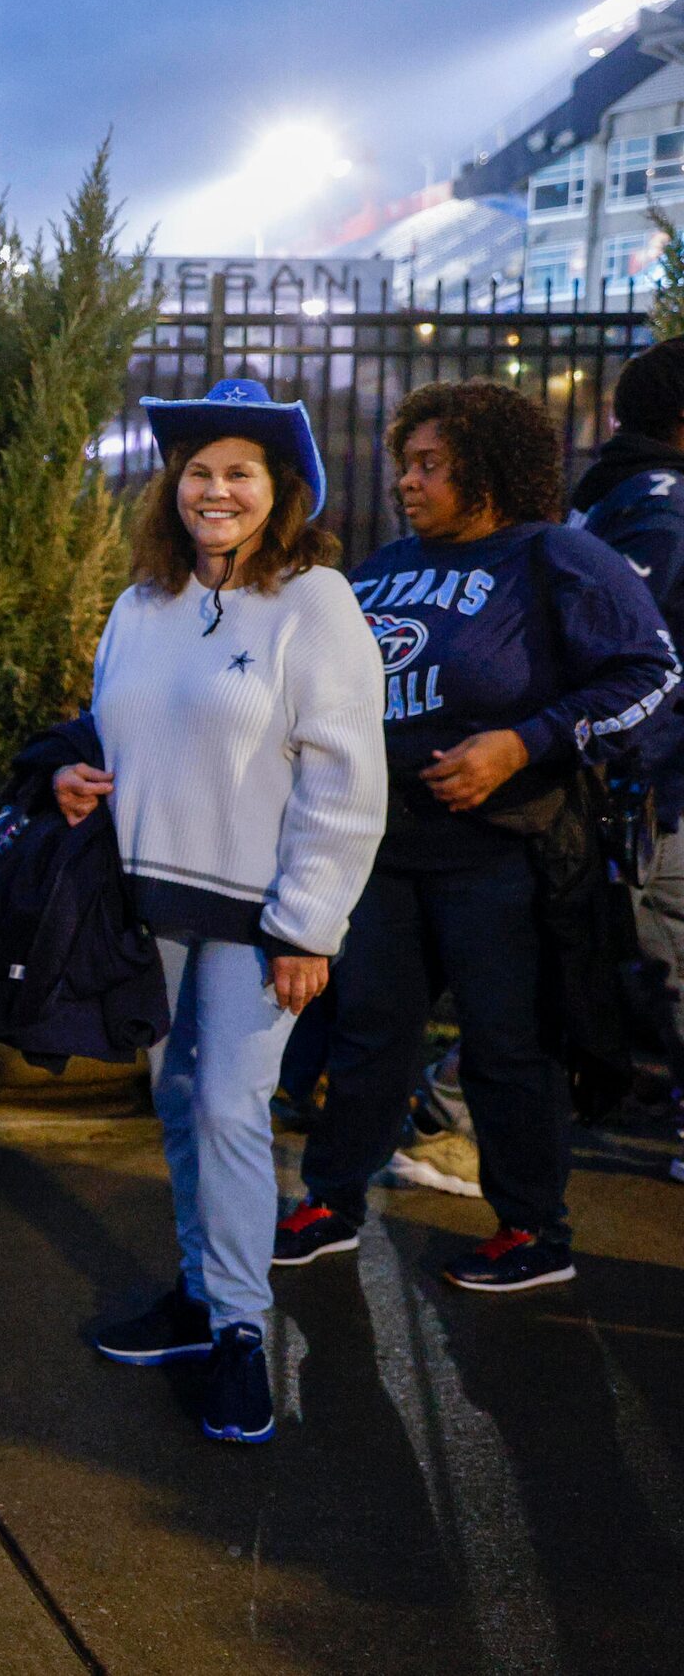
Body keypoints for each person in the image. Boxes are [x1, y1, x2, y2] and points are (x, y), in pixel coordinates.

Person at [279, 378, 677, 1292]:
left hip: (506, 851)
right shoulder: (375, 571)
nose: (408, 483)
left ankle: (536, 1231)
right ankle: (331, 1203)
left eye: (430, 464)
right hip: (383, 851)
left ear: (489, 468)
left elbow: (652, 675)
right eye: (404, 465)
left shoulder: (557, 558)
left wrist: (524, 742)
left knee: (509, 1046)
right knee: (369, 1036)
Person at [51, 382, 386, 1444]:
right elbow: (111, 729)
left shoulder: (314, 601)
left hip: (255, 919)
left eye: (238, 472)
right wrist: (74, 775)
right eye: (197, 471)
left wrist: (306, 925)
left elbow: (345, 778)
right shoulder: (138, 603)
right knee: (176, 1099)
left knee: (229, 1111)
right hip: (148, 902)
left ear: (279, 491)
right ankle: (198, 1297)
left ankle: (241, 1329)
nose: (213, 490)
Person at [568, 338, 684, 1084]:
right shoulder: (663, 507)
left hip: (639, 779)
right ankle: (449, 1114)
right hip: (652, 783)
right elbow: (632, 654)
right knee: (653, 957)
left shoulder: (612, 494)